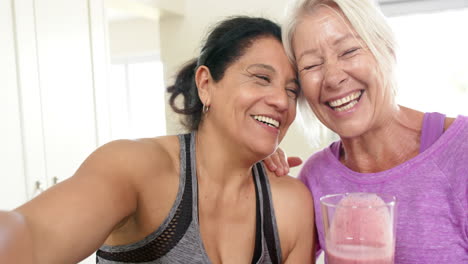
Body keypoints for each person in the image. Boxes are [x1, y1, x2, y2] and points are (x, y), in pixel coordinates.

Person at [0, 16, 315, 264]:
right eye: (261, 78)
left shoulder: (291, 204)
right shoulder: (136, 167)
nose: (282, 102)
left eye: (292, 91)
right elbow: (31, 234)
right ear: (206, 84)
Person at [265, 0, 468, 263]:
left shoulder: (461, 153)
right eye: (312, 65)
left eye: (348, 51)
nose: (333, 77)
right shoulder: (315, 179)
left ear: (387, 50)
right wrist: (255, 183)